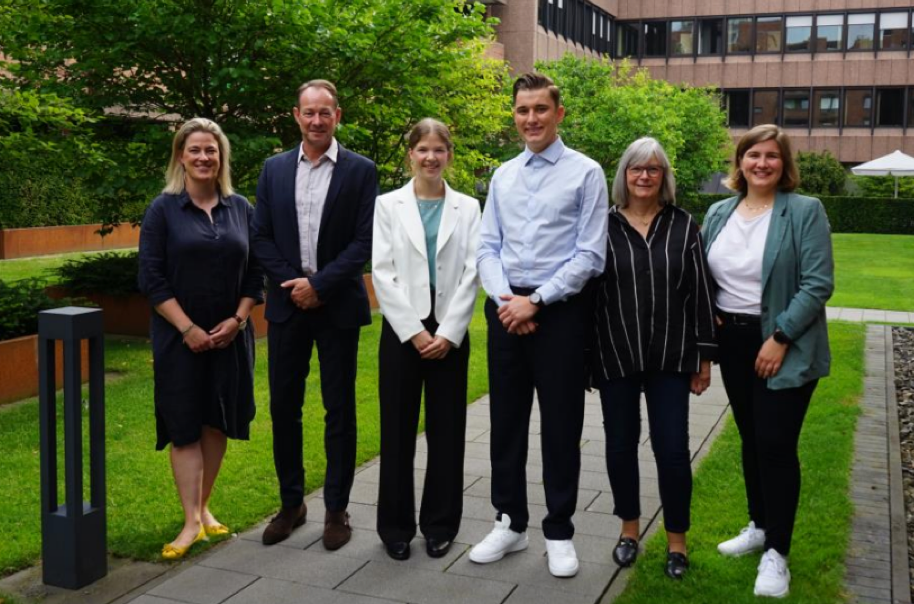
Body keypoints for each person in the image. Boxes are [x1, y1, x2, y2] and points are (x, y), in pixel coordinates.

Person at [471, 73, 608, 578]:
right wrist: (509, 301)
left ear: (559, 114)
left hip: (561, 312)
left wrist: (537, 301)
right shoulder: (503, 176)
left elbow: (590, 254)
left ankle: (559, 531)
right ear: (514, 115)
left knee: (561, 425)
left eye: (540, 109)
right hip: (508, 308)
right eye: (522, 110)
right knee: (505, 422)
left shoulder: (586, 173)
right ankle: (510, 522)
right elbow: (487, 247)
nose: (531, 119)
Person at [702, 124, 834, 598]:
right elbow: (702, 275)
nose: (762, 163)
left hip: (784, 344)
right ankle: (759, 525)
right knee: (752, 439)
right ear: (740, 161)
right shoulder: (719, 212)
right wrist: (709, 320)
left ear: (784, 163)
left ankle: (778, 553)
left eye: (771, 156)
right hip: (733, 344)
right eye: (753, 154)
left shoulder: (804, 211)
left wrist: (779, 337)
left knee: (776, 443)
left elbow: (818, 283)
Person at [251, 79, 378, 550]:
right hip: (288, 307)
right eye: (309, 112)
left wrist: (320, 285)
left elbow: (364, 241)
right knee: (284, 407)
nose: (317, 120)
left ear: (337, 116)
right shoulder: (274, 169)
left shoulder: (360, 170)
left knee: (338, 409)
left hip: (337, 305)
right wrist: (296, 285)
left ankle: (336, 509)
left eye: (325, 112)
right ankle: (292, 504)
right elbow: (261, 236)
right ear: (296, 116)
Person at [138, 118, 264, 560]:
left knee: (217, 420)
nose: (204, 157)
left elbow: (256, 272)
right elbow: (151, 278)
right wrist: (187, 328)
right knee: (185, 424)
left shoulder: (241, 208)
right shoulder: (163, 209)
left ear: (221, 156)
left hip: (231, 336)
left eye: (211, 150)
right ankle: (190, 521)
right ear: (180, 156)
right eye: (195, 150)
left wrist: (238, 320)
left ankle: (204, 507)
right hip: (179, 339)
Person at [591, 137, 716, 580]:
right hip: (616, 354)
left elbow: (701, 293)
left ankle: (677, 542)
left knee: (673, 450)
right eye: (636, 168)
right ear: (623, 175)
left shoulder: (684, 226)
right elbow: (590, 295)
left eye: (653, 169)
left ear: (664, 177)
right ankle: (629, 531)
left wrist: (704, 359)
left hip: (672, 357)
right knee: (620, 446)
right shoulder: (601, 227)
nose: (644, 176)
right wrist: (587, 358)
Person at [371, 118, 481, 561]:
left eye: (439, 149)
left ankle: (440, 524)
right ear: (410, 155)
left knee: (447, 432)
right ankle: (395, 527)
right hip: (403, 333)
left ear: (449, 155)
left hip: (449, 335)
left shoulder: (468, 208)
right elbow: (382, 272)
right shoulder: (387, 205)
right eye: (423, 149)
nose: (431, 157)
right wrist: (415, 332)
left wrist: (449, 333)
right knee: (397, 431)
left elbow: (472, 272)